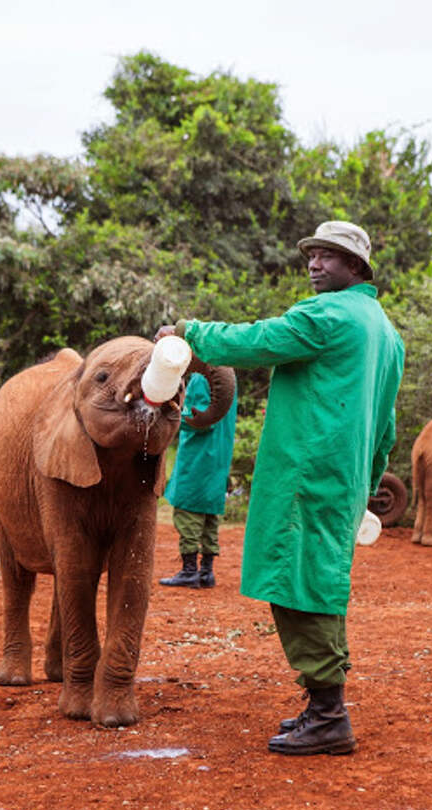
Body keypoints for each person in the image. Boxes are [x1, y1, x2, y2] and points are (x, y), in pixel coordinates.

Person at [156, 221, 405, 756]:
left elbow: (257, 340)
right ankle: (322, 705)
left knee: (300, 584)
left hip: (306, 475)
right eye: (312, 254)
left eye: (328, 256)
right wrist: (364, 483)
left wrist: (189, 332)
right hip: (340, 477)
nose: (315, 263)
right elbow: (385, 426)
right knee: (318, 580)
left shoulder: (328, 314)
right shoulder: (386, 332)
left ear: (356, 267)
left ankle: (329, 713)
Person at [159, 372, 237, 588]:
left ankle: (189, 570)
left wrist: (171, 414)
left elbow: (201, 420)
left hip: (198, 456)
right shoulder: (227, 379)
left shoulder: (201, 379)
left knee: (188, 509)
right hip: (218, 454)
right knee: (209, 513)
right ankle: (206, 572)